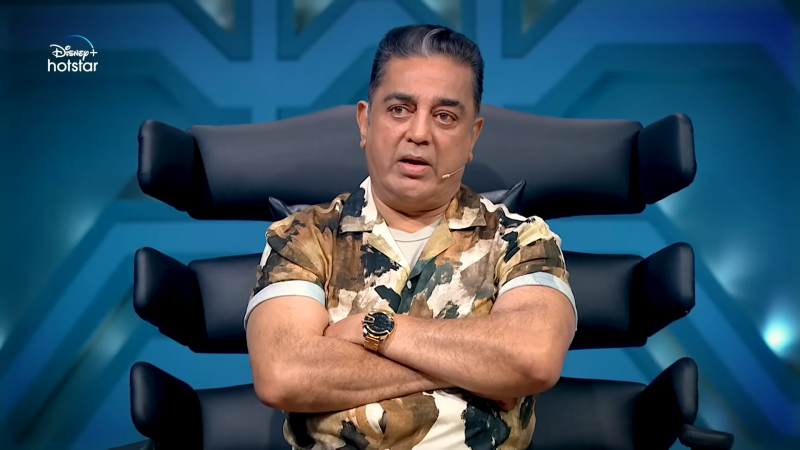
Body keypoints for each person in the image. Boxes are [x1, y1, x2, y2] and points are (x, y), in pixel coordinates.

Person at [244, 24, 577, 450]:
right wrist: (477, 369)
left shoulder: (523, 240)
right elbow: (285, 374)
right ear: (365, 122)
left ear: (472, 136)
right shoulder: (301, 237)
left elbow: (531, 358)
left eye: (445, 116)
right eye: (400, 109)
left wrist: (373, 331)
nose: (419, 133)